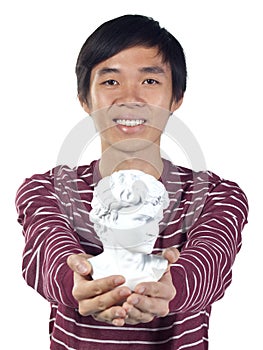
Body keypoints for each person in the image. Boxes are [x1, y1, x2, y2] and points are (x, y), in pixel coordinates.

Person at [15, 14, 248, 350]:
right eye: (110, 82)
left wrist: (171, 288)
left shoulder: (216, 195)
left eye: (150, 82)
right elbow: (45, 254)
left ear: (176, 98)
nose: (129, 97)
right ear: (85, 99)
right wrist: (74, 280)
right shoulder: (48, 190)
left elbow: (211, 262)